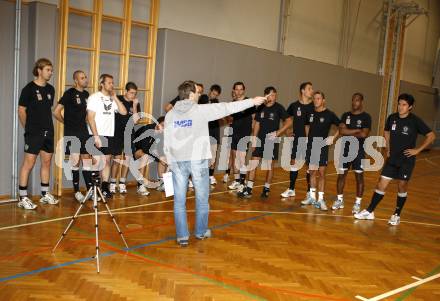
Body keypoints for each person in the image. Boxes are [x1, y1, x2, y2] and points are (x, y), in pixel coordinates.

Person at [164, 80, 266, 247]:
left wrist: (170, 160)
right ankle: (201, 231)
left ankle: (182, 236)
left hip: (178, 161)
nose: (199, 95)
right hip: (198, 160)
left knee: (179, 200)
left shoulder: (170, 114)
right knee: (202, 199)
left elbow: (167, 141)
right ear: (190, 95)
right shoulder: (200, 110)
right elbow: (227, 108)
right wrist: (252, 102)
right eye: (197, 93)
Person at [355, 93, 435, 225]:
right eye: (399, 104)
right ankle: (370, 211)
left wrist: (417, 150)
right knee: (381, 183)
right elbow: (386, 131)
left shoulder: (415, 121)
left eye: (404, 105)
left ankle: (396, 214)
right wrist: (388, 145)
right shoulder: (392, 118)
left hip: (406, 160)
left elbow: (431, 136)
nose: (400, 107)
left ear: (410, 107)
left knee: (402, 186)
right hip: (392, 159)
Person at [17, 58, 59, 209]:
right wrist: (28, 128)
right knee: (29, 163)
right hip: (34, 132)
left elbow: (47, 110)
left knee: (46, 162)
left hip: (49, 131)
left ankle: (44, 194)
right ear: (39, 70)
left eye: (51, 70)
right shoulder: (28, 89)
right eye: (48, 70)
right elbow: (21, 110)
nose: (50, 72)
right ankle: (23, 197)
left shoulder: (50, 89)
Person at [238, 86, 289, 198]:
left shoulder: (279, 108)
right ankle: (249, 189)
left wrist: (278, 133)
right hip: (260, 140)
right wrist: (255, 139)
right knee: (253, 163)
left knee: (269, 166)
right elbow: (257, 123)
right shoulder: (260, 107)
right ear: (266, 95)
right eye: (271, 95)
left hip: (272, 141)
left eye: (275, 95)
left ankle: (266, 188)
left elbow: (289, 122)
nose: (274, 97)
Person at [53, 70, 92, 202]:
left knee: (87, 160)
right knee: (75, 161)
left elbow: (88, 114)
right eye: (82, 78)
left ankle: (90, 190)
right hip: (72, 133)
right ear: (76, 80)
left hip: (84, 132)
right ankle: (76, 191)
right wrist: (66, 122)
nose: (85, 79)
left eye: (85, 77)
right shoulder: (69, 93)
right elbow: (56, 111)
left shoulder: (87, 94)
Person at [86, 74, 127, 198]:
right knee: (97, 162)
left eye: (112, 83)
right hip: (96, 134)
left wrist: (115, 98)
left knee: (107, 162)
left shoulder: (112, 98)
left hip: (109, 134)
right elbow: (90, 118)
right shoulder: (94, 97)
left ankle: (104, 187)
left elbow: (124, 112)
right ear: (102, 84)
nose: (111, 85)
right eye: (109, 82)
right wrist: (96, 136)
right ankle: (94, 189)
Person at [333, 93, 371, 213]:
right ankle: (339, 200)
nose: (354, 103)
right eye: (353, 100)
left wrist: (347, 131)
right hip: (345, 150)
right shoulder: (346, 115)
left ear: (361, 102)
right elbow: (341, 130)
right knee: (341, 175)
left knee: (359, 177)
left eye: (357, 100)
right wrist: (356, 130)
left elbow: (364, 134)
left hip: (359, 151)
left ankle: (357, 203)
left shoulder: (366, 117)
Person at [301, 91, 340, 211]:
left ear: (323, 100)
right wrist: (307, 138)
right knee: (312, 172)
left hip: (322, 146)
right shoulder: (310, 113)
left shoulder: (329, 114)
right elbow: (306, 125)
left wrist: (333, 138)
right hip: (312, 146)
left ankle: (321, 199)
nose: (316, 100)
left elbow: (341, 127)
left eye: (318, 98)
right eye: (314, 98)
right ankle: (312, 197)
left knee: (322, 173)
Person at [280, 82, 314, 200]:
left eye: (312, 88)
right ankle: (291, 189)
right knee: (293, 163)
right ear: (302, 91)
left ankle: (310, 192)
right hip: (296, 140)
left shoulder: (314, 106)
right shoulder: (294, 106)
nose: (312, 90)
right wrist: (288, 131)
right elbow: (286, 118)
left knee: (309, 166)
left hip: (310, 142)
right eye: (309, 89)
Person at [109, 82, 141, 194]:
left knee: (127, 159)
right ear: (126, 91)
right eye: (131, 93)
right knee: (117, 159)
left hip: (129, 134)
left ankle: (122, 183)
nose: (133, 95)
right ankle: (112, 183)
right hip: (116, 133)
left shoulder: (135, 103)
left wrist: (135, 105)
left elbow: (136, 121)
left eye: (135, 93)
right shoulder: (117, 99)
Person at [227, 82, 256, 191]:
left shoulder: (249, 102)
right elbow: (229, 118)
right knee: (234, 158)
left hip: (245, 134)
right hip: (234, 133)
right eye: (236, 89)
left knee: (241, 158)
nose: (238, 91)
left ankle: (242, 182)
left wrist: (252, 135)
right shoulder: (233, 103)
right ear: (234, 90)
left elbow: (254, 119)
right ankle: (236, 180)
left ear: (244, 90)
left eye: (240, 89)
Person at [132, 116, 166, 195]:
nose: (164, 128)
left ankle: (162, 183)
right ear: (157, 124)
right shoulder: (147, 130)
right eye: (163, 125)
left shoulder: (161, 134)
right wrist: (158, 158)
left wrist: (162, 158)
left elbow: (160, 150)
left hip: (146, 151)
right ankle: (140, 185)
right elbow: (145, 149)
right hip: (133, 149)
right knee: (145, 156)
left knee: (163, 157)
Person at [197, 84, 223, 185]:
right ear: (210, 91)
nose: (213, 96)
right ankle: (198, 177)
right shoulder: (203, 98)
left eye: (216, 95)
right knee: (200, 156)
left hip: (214, 132)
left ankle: (210, 175)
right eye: (213, 93)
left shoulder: (217, 102)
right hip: (203, 133)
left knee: (212, 156)